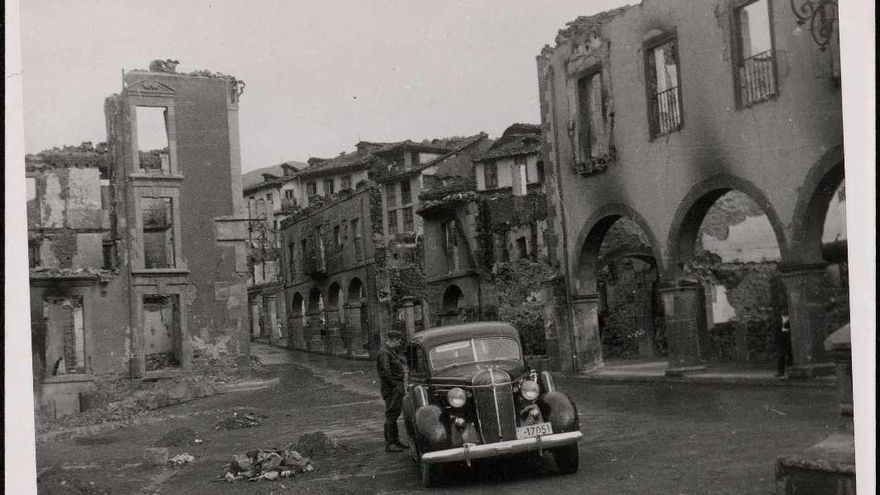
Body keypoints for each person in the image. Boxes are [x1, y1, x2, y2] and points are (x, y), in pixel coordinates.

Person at [376, 330, 409, 453]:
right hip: (392, 388)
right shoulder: (385, 352)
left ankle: (395, 441)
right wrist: (394, 385)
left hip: (395, 386)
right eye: (398, 341)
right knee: (391, 415)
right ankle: (390, 443)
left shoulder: (389, 352)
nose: (399, 344)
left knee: (394, 414)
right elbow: (385, 371)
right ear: (393, 340)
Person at [775, 312, 793, 378]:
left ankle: (789, 371)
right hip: (782, 341)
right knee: (781, 356)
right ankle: (781, 372)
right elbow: (776, 330)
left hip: (788, 340)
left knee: (789, 356)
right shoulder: (779, 319)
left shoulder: (791, 319)